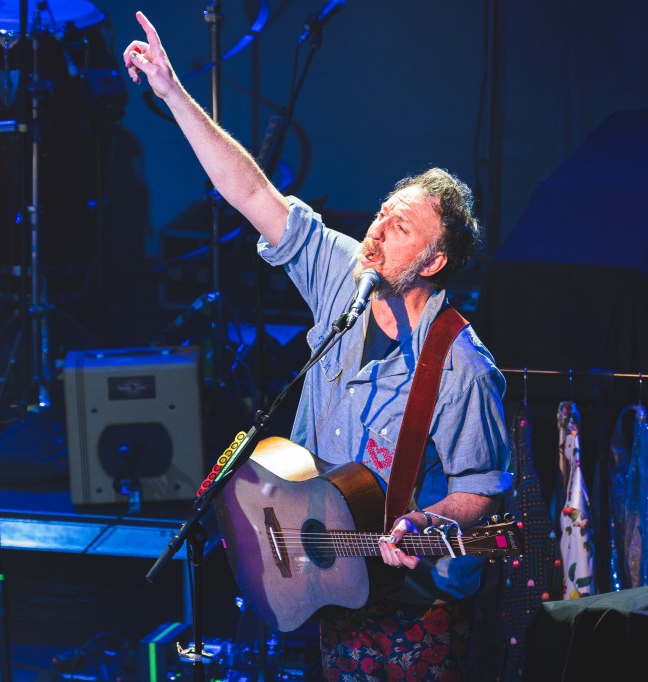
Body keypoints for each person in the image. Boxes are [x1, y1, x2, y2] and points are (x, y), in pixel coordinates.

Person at [123, 12, 512, 681]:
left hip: (417, 612)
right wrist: (173, 94)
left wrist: (430, 520)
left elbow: (484, 495)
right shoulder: (342, 272)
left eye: (404, 224)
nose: (381, 225)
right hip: (331, 592)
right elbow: (250, 191)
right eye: (385, 210)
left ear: (435, 261)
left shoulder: (462, 367)